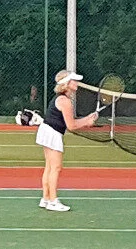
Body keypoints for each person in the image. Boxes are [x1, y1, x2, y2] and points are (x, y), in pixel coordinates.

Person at [34, 70, 102, 212]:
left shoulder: (61, 99)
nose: (76, 83)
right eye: (74, 81)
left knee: (49, 167)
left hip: (47, 130)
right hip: (52, 133)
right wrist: (87, 122)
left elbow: (71, 123)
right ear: (66, 84)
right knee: (55, 168)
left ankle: (45, 199)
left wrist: (87, 119)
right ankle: (53, 201)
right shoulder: (65, 101)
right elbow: (71, 126)